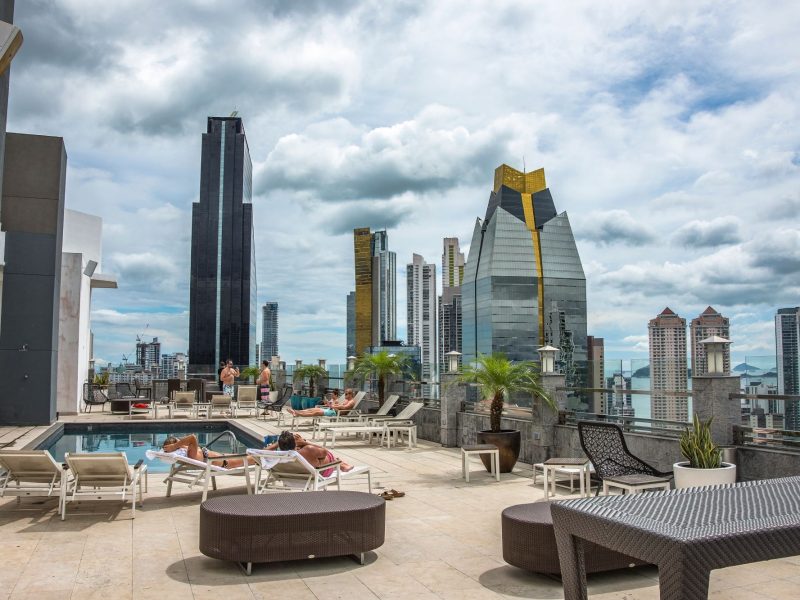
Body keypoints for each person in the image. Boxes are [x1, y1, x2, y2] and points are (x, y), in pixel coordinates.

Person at [275, 430, 353, 473]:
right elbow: (325, 451)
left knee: (315, 456)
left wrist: (279, 443)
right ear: (294, 443)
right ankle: (341, 464)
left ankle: (342, 464)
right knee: (325, 455)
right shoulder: (308, 449)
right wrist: (304, 443)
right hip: (320, 473)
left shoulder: (277, 455)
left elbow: (264, 451)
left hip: (295, 473)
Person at [161, 434, 255, 468]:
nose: (182, 441)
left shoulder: (186, 450)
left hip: (222, 457)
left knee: (251, 454)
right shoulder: (190, 453)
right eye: (179, 441)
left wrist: (176, 445)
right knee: (256, 458)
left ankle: (268, 451)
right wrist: (174, 446)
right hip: (225, 462)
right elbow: (192, 437)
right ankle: (269, 452)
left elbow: (189, 440)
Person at [286, 388, 355, 417]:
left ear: (350, 394)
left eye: (346, 394)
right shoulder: (346, 400)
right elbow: (340, 405)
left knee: (316, 413)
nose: (345, 395)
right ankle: (296, 412)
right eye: (345, 393)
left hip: (334, 412)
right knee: (313, 409)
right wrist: (331, 405)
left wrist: (333, 406)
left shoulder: (351, 402)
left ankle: (298, 414)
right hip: (332, 410)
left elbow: (344, 407)